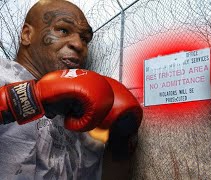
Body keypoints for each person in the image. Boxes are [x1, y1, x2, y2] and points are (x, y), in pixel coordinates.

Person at [0, 0, 142, 179]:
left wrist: (118, 143)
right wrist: (33, 97)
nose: (78, 44)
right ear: (27, 34)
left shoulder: (80, 111)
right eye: (63, 30)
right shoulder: (2, 75)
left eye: (84, 38)